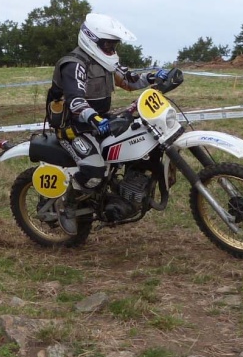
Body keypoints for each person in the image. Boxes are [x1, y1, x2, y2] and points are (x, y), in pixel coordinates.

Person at [47, 13, 168, 233]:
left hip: (99, 121)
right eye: (107, 45)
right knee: (94, 171)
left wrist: (155, 77)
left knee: (140, 143)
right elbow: (75, 100)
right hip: (73, 128)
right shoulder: (74, 65)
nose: (111, 49)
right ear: (91, 40)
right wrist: (93, 118)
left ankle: (122, 191)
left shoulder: (107, 61)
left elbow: (130, 80)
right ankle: (67, 205)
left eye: (113, 45)